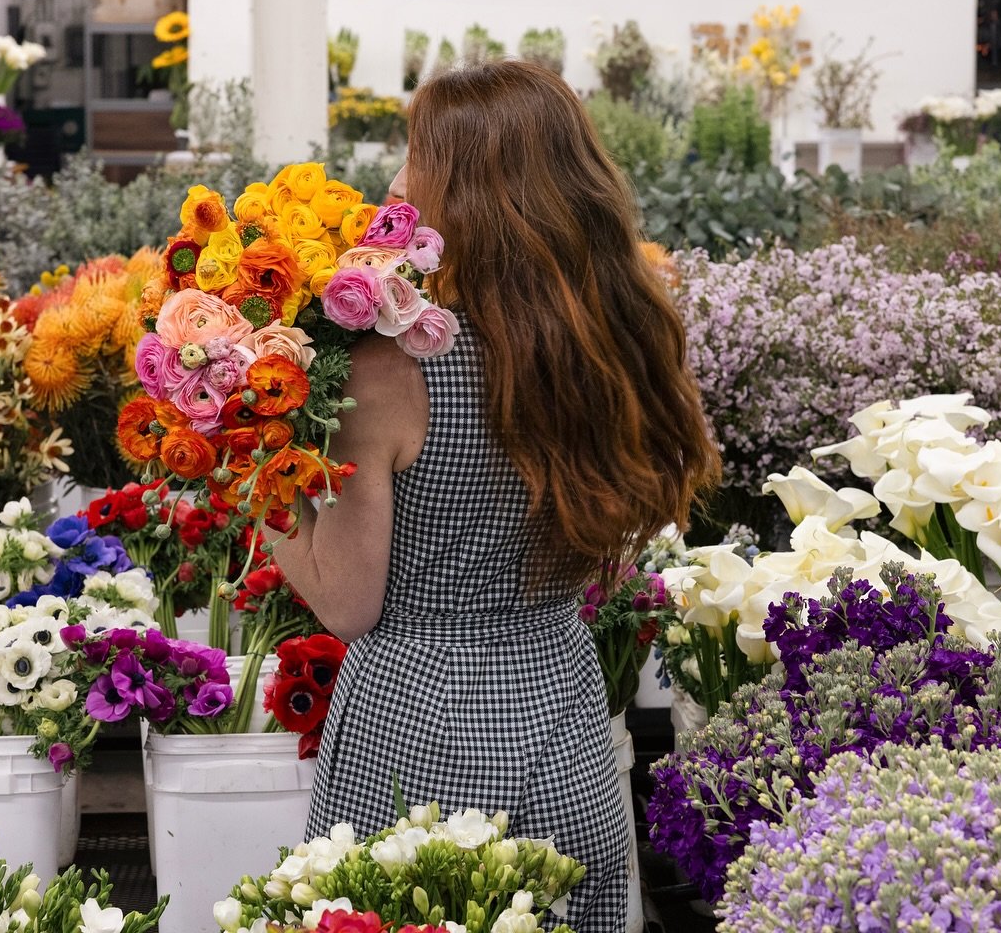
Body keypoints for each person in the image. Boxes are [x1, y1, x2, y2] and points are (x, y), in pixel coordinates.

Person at [268, 60, 720, 933]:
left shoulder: (396, 372)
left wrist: (256, 471)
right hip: (560, 705)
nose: (395, 181)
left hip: (410, 718)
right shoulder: (609, 354)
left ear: (470, 194)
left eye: (414, 157)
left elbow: (349, 602)